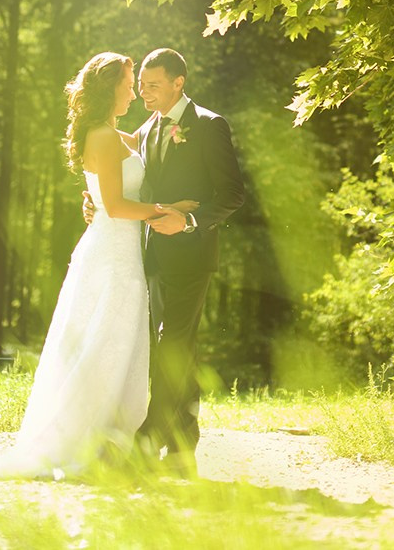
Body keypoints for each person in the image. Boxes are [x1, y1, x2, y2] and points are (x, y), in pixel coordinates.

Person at [0, 51, 197, 478]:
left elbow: (131, 169)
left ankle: (113, 439)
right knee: (103, 342)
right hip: (110, 255)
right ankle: (84, 438)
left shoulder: (122, 134)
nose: (134, 90)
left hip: (126, 254)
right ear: (109, 89)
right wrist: (168, 208)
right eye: (127, 82)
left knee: (122, 343)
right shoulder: (101, 136)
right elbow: (117, 206)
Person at [83, 47, 245, 477]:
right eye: (141, 86)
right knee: (175, 348)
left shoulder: (210, 126)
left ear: (179, 83)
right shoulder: (149, 127)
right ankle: (180, 448)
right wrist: (95, 201)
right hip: (151, 256)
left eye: (153, 86)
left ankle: (146, 441)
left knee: (172, 344)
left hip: (192, 254)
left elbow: (232, 195)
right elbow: (121, 175)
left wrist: (189, 220)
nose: (145, 93)